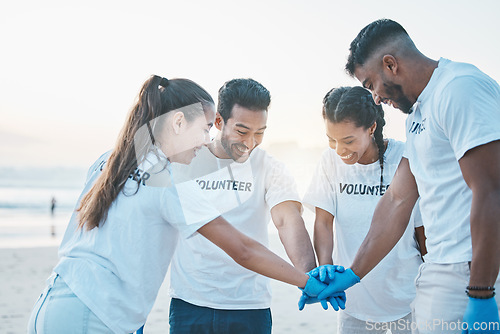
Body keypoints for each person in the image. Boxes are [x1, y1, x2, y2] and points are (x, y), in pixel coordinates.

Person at [27, 75, 334, 334]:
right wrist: (308, 282)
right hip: (95, 315)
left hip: (55, 301)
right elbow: (243, 250)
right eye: (203, 129)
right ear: (177, 123)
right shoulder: (167, 178)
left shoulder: (112, 159)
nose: (204, 140)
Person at [307, 19, 500, 334]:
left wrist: (482, 293)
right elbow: (397, 200)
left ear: (390, 64)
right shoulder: (418, 116)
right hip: (439, 274)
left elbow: (492, 190)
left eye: (371, 84)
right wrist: (353, 274)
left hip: (474, 273)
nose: (375, 99)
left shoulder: (459, 88)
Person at [168, 78, 318, 334]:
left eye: (260, 133)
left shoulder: (268, 166)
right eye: (242, 131)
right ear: (218, 121)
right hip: (189, 304)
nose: (250, 142)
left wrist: (310, 277)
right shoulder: (185, 159)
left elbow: (287, 221)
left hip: (250, 307)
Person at [302, 86, 426, 333]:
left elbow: (422, 229)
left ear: (371, 127)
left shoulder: (404, 157)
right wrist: (326, 268)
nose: (339, 150)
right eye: (331, 140)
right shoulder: (329, 162)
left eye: (348, 140)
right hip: (354, 304)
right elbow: (324, 222)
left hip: (409, 300)